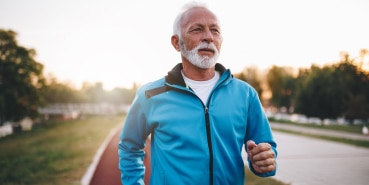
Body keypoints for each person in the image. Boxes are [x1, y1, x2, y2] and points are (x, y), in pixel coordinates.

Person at [118, 2, 277, 185]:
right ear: (177, 42)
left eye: (215, 30)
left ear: (221, 41)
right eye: (197, 29)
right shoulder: (150, 95)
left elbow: (266, 149)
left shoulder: (246, 94)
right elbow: (129, 147)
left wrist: (264, 161)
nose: (208, 37)